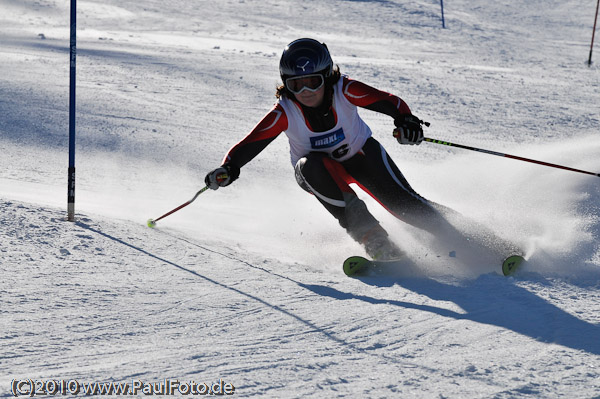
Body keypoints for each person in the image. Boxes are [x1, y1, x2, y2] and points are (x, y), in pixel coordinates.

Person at [205, 38, 507, 261]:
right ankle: (374, 239)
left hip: (361, 156)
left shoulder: (345, 89)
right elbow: (250, 143)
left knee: (406, 205)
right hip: (318, 173)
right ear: (287, 85)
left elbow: (391, 102)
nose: (307, 92)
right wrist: (229, 168)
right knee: (311, 165)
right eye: (297, 85)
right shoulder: (284, 112)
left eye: (313, 82)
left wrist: (405, 121)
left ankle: (484, 240)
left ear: (327, 76)